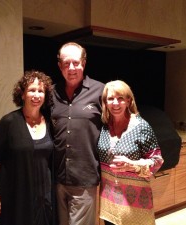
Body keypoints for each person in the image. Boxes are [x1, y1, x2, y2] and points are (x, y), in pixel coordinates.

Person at [0, 70, 54, 225]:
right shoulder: (9, 122)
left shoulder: (50, 122)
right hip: (16, 194)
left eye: (40, 91)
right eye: (31, 90)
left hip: (44, 197)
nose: (36, 95)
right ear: (22, 94)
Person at [51, 42, 104, 225]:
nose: (71, 68)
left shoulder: (100, 91)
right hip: (57, 178)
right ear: (60, 66)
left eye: (76, 62)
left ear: (84, 62)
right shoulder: (51, 94)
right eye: (66, 63)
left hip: (85, 178)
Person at [97, 80, 164, 225]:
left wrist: (133, 165)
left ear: (128, 100)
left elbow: (158, 161)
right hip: (110, 201)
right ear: (105, 102)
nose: (115, 103)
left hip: (135, 204)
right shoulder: (104, 127)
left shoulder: (141, 127)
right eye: (110, 99)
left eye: (120, 98)